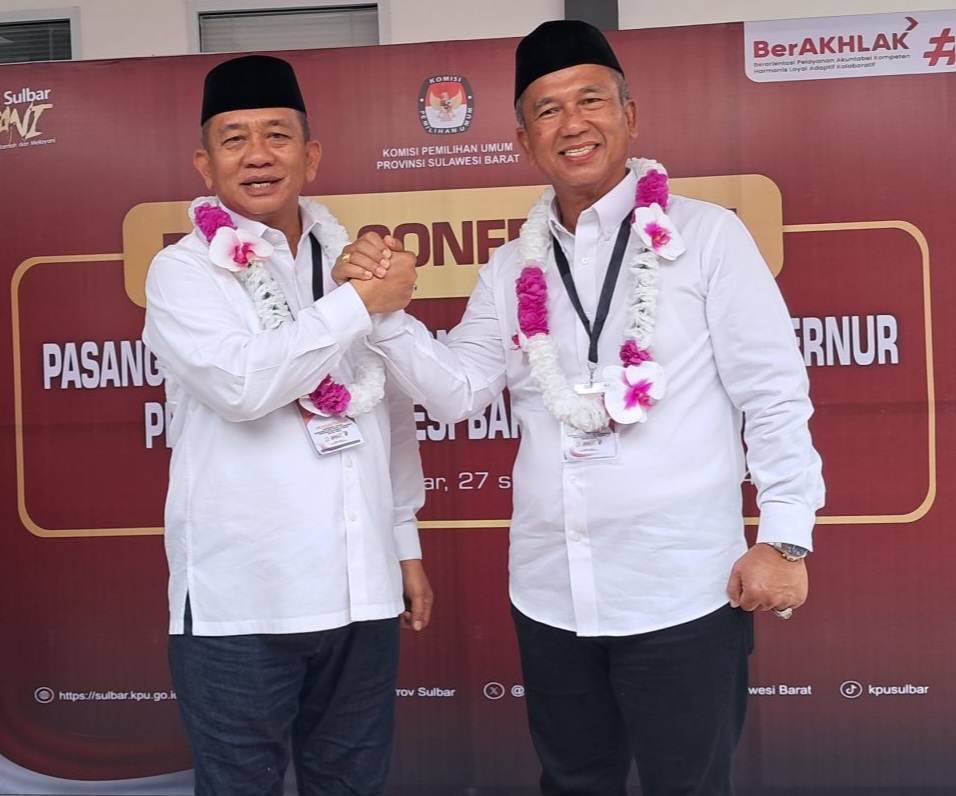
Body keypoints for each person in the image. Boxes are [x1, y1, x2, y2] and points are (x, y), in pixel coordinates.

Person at [335, 20, 824, 796]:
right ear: (524, 139)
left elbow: (774, 394)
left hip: (684, 590)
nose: (573, 123)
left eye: (590, 100)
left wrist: (786, 539)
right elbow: (458, 392)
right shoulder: (509, 269)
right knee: (572, 784)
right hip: (551, 594)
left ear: (630, 114)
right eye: (548, 109)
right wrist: (382, 312)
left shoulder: (708, 238)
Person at [142, 54, 430, 796]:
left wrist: (402, 542)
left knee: (353, 785)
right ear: (205, 165)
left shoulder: (352, 260)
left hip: (361, 589)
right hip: (242, 601)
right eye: (234, 139)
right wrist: (357, 305)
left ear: (311, 155)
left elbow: (389, 407)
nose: (258, 154)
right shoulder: (183, 272)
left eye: (277, 134)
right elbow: (242, 385)